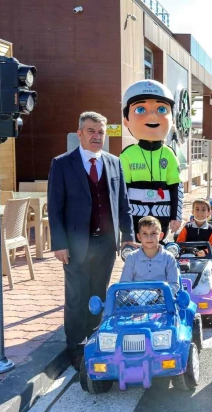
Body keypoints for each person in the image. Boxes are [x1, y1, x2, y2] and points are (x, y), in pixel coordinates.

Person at [48, 111, 135, 370]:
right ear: (79, 134)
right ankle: (76, 348)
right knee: (76, 297)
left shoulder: (114, 162)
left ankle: (94, 341)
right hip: (74, 246)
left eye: (100, 132)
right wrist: (59, 243)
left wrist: (128, 238)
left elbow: (123, 204)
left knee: (98, 295)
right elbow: (55, 207)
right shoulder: (62, 164)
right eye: (91, 131)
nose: (96, 136)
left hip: (106, 245)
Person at [119, 80, 183, 242]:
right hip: (135, 214)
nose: (152, 116)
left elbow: (176, 187)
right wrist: (122, 220)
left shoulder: (169, 154)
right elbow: (120, 191)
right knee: (135, 255)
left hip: (163, 213)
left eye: (162, 109)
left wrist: (177, 215)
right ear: (126, 119)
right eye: (140, 109)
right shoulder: (127, 154)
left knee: (158, 253)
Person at [119, 216, 180, 295]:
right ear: (138, 237)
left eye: (153, 233)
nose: (149, 238)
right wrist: (132, 297)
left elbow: (174, 284)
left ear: (161, 236)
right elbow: (124, 284)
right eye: (144, 234)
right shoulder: (131, 258)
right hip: (135, 302)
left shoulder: (168, 257)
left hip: (162, 301)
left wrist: (159, 295)